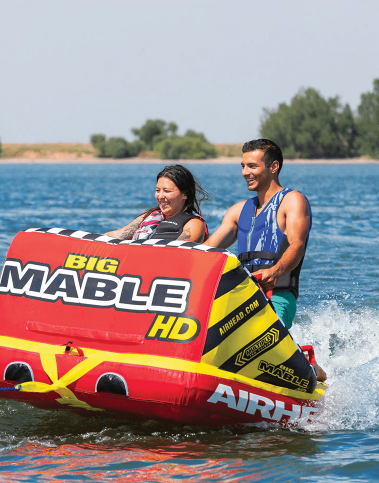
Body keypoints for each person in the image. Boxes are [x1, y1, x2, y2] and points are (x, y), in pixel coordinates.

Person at [204, 138, 326, 381]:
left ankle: (311, 368)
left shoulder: (292, 201)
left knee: (256, 345)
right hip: (241, 298)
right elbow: (207, 250)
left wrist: (277, 270)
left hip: (276, 295)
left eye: (252, 166)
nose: (245, 173)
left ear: (273, 167)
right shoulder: (239, 210)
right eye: (242, 166)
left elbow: (297, 244)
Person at [105, 164, 209, 242]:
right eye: (158, 190)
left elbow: (179, 252)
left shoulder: (194, 223)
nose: (160, 196)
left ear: (184, 194)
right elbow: (119, 234)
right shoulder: (149, 215)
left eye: (167, 191)